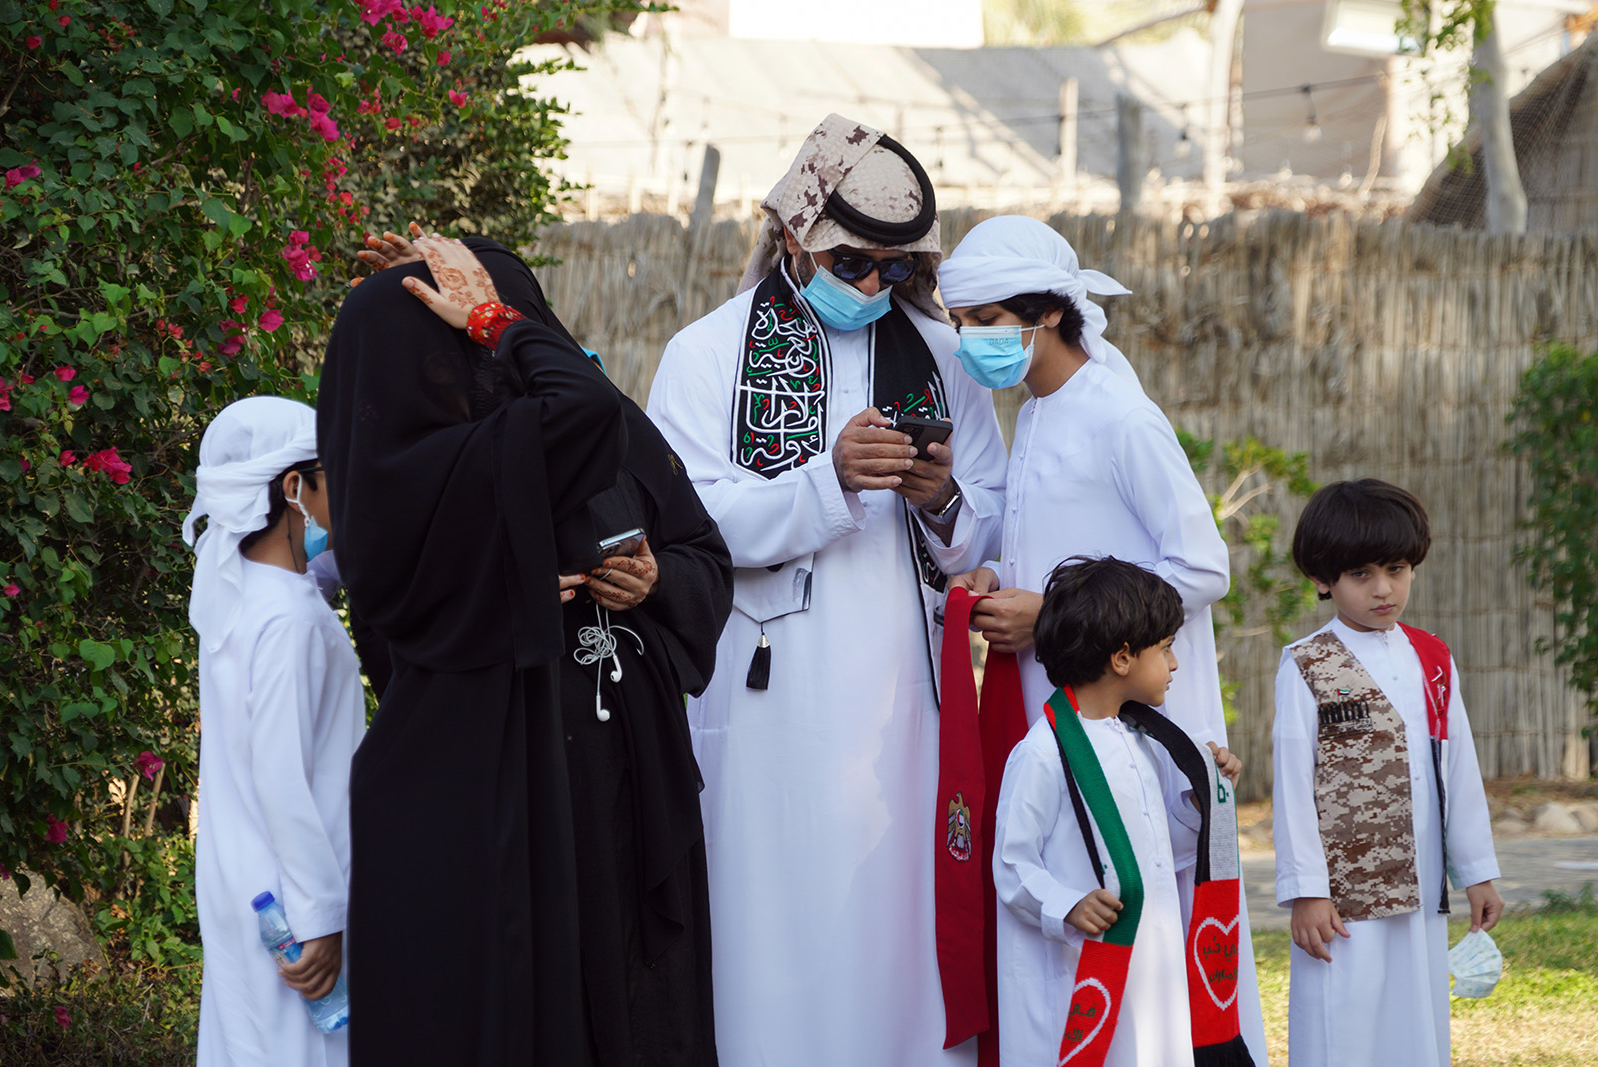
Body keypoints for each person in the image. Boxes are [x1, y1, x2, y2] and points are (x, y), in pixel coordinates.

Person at [646, 114, 1010, 1065]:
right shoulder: (708, 353)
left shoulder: (940, 355)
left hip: (906, 703)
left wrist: (942, 501)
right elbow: (687, 520)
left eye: (897, 272)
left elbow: (994, 521)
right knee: (777, 919)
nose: (875, 289)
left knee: (899, 916)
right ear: (796, 236)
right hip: (772, 700)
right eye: (856, 266)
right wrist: (827, 479)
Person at [357, 226, 735, 1065]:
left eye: (488, 308)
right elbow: (399, 622)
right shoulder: (437, 444)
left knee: (642, 983)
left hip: (629, 764)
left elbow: (704, 552)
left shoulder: (608, 424)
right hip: (510, 757)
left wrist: (657, 580)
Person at [937, 215, 1269, 1063]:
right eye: (962, 319)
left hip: (1141, 721)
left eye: (983, 320)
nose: (969, 340)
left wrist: (1048, 612)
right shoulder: (1042, 410)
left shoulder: (1120, 416)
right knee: (1076, 911)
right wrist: (994, 575)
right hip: (1069, 721)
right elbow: (1057, 544)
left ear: (1045, 314)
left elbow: (1201, 565)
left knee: (1169, 932)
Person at [318, 235, 628, 1064]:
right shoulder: (476, 465)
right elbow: (592, 404)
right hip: (490, 781)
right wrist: (496, 318)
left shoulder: (379, 489)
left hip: (415, 781)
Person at [1274, 478, 1502, 1067]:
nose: (1384, 589)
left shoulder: (1433, 658)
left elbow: (1458, 767)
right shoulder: (1305, 663)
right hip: (1340, 899)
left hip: (1422, 884)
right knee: (1341, 1019)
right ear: (1324, 579)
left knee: (1415, 1018)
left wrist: (1476, 870)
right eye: (1362, 574)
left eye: (1397, 569)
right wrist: (1306, 891)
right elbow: (1294, 785)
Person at [993, 556, 1243, 1067]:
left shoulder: (1142, 737)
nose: (1175, 664)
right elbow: (1012, 863)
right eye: (1167, 649)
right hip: (1085, 963)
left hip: (1154, 961)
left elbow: (1149, 851)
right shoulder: (1042, 752)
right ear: (1123, 657)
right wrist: (1066, 904)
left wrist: (1202, 803)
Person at [184, 396, 364, 1067]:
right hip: (288, 906)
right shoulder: (287, 618)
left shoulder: (238, 592)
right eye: (331, 470)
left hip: (241, 880)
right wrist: (321, 917)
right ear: (294, 486)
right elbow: (283, 779)